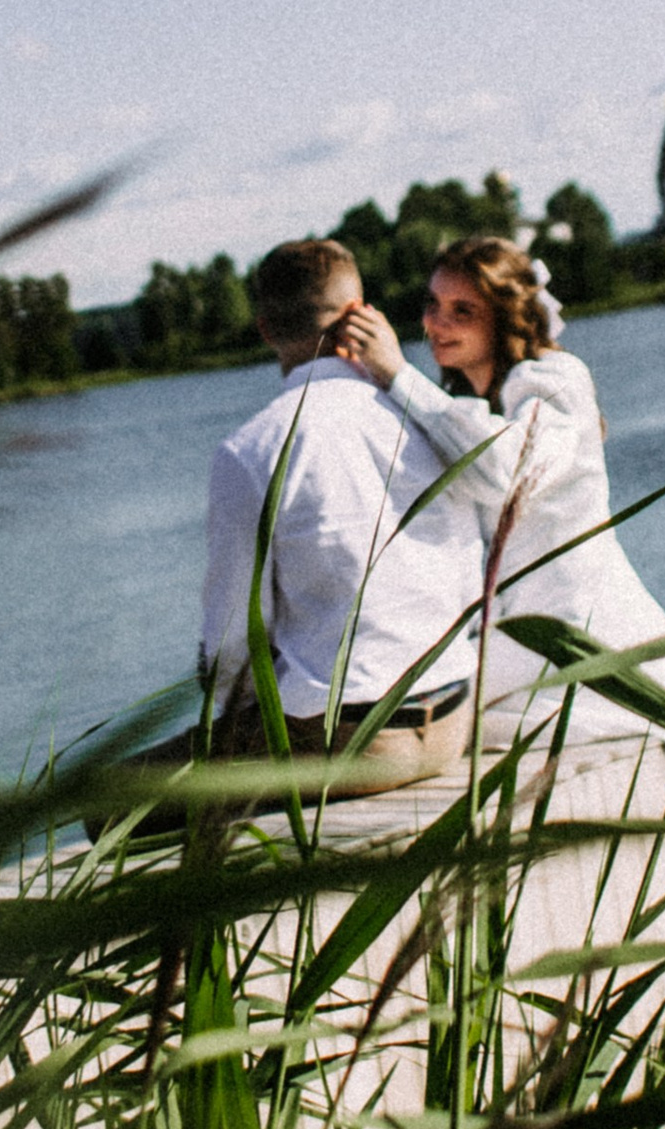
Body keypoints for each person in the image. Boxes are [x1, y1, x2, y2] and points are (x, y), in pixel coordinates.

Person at [325, 231, 665, 698]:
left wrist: (398, 373)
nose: (436, 323)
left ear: (504, 316)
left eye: (463, 311)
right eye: (432, 304)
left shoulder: (554, 379)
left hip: (577, 628)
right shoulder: (463, 404)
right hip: (513, 630)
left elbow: (508, 474)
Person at [199, 236, 487, 792]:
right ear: (362, 314)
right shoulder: (427, 417)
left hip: (354, 744)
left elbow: (233, 646)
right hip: (455, 719)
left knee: (111, 795)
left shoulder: (251, 449)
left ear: (265, 329)